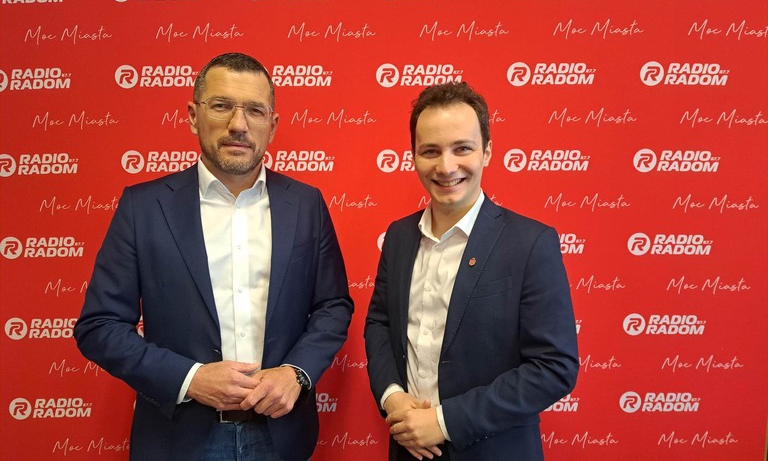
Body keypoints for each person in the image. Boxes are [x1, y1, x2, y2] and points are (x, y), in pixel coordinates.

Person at [74, 52, 353, 461]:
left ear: (272, 125)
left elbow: (333, 305)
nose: (238, 124)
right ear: (193, 116)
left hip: (281, 438)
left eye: (255, 110)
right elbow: (99, 326)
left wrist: (296, 373)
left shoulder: (306, 205)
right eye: (221, 106)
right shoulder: (143, 208)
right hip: (178, 439)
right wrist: (191, 378)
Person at [364, 82, 578, 461]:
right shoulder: (398, 236)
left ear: (487, 151)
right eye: (431, 151)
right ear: (413, 156)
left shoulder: (531, 243)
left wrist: (444, 422)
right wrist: (392, 396)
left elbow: (554, 367)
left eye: (462, 148)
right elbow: (380, 324)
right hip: (408, 449)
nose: (446, 167)